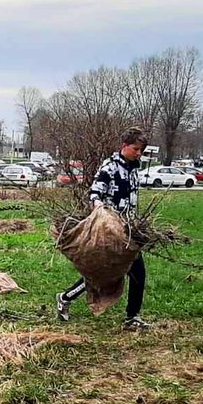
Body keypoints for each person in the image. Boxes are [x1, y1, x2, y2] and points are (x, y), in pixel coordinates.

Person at [56, 127, 150, 331]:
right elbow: (94, 193)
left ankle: (132, 317)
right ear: (124, 146)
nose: (138, 153)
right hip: (111, 232)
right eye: (135, 149)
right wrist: (99, 207)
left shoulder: (134, 168)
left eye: (141, 150)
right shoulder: (110, 167)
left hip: (128, 230)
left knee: (137, 273)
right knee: (100, 275)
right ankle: (65, 297)